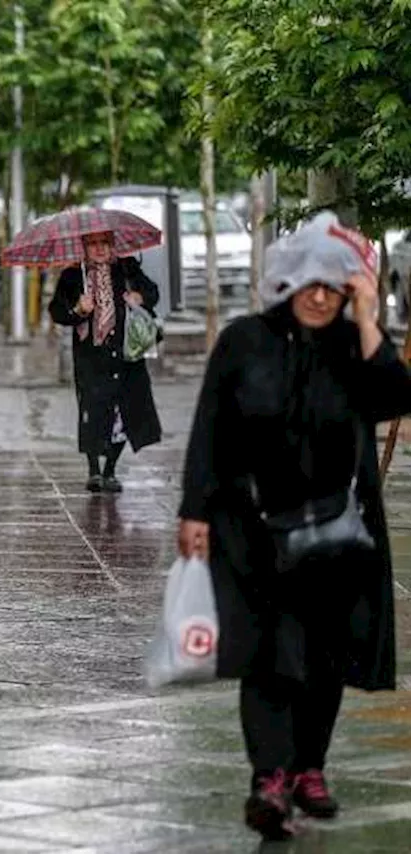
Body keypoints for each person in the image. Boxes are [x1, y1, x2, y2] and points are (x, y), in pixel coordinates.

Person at [176, 211, 412, 841]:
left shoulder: (350, 345)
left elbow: (394, 397)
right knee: (269, 660)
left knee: (325, 660)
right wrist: (193, 508)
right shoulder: (244, 341)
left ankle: (310, 768)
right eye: (308, 283)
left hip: (337, 535)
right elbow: (210, 430)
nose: (317, 295)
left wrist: (367, 317)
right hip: (252, 531)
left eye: (332, 286)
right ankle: (270, 781)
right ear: (285, 284)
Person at [48, 232, 163, 491]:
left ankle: (110, 470)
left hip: (126, 355)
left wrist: (139, 298)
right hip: (92, 358)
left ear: (113, 245)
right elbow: (57, 311)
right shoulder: (72, 276)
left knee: (124, 414)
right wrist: (78, 310)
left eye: (105, 243)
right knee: (92, 412)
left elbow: (152, 292)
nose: (99, 250)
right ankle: (94, 471)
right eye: (93, 244)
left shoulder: (127, 268)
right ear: (84, 248)